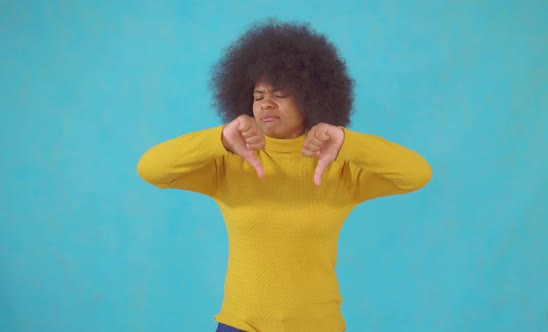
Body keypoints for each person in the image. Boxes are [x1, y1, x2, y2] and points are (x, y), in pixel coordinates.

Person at [137, 19, 432, 332]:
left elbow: (416, 174)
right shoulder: (230, 163)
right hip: (240, 325)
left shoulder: (340, 168)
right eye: (259, 94)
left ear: (310, 97)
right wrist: (221, 139)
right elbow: (151, 168)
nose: (266, 103)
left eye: (280, 94)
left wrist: (347, 142)